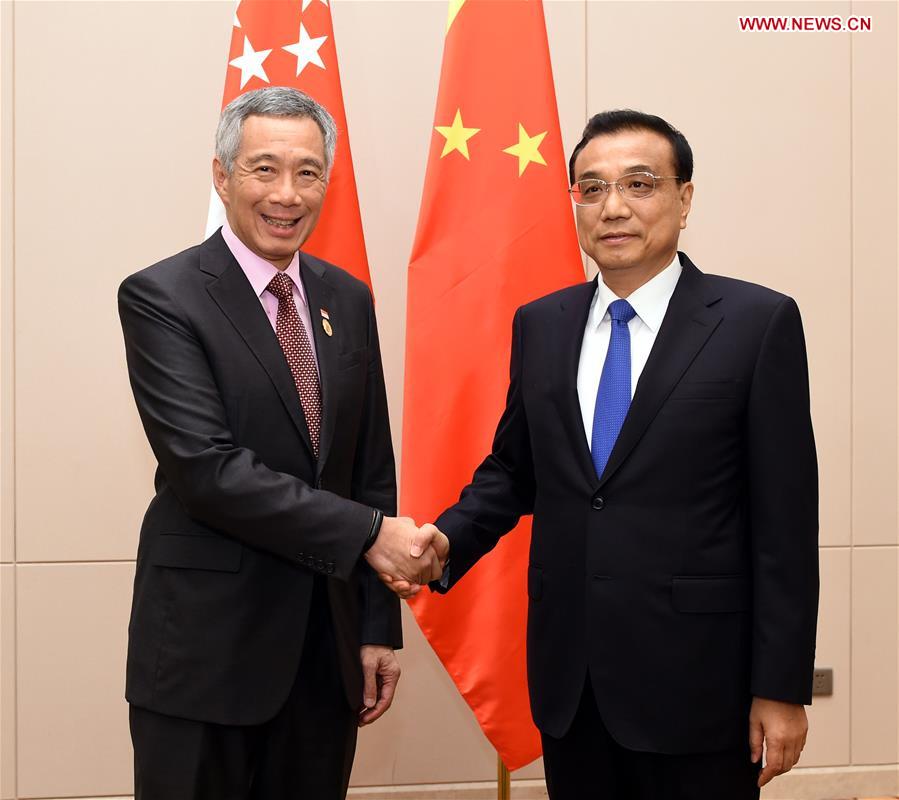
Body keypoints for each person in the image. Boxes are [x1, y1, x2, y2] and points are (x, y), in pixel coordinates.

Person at [388, 110, 819, 799]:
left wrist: (780, 686)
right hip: (572, 683)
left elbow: (785, 527)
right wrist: (446, 541)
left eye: (639, 185)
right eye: (589, 189)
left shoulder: (754, 324)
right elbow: (515, 469)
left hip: (699, 685)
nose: (612, 207)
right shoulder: (542, 323)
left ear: (683, 199)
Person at [118, 87, 443, 800]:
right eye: (264, 169)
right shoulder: (163, 297)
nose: (287, 194)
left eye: (308, 172)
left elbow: (368, 470)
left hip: (323, 655)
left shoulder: (345, 297)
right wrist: (369, 535)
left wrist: (376, 624)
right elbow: (208, 471)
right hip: (206, 656)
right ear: (222, 175)